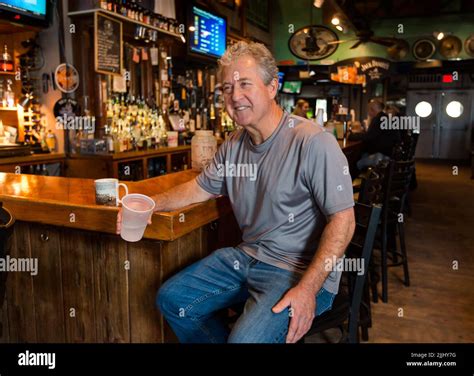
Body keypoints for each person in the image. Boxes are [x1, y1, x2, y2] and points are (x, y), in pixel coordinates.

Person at [117, 41, 355, 343]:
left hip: (299, 271)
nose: (235, 96)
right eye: (227, 88)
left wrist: (308, 289)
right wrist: (150, 204)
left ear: (272, 86)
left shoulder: (312, 142)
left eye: (245, 84)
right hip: (246, 258)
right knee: (173, 300)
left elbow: (344, 221)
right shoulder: (233, 145)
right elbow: (199, 188)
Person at [353, 99, 401, 171]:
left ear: (372, 110)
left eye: (368, 110)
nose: (368, 113)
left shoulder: (378, 119)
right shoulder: (385, 117)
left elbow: (368, 137)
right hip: (389, 154)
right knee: (364, 154)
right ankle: (371, 179)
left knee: (358, 164)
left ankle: (368, 181)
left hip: (383, 156)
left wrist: (352, 136)